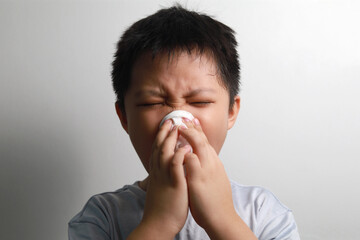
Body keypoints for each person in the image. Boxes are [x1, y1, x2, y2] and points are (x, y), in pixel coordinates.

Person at [68, 5, 300, 240]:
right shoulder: (102, 217)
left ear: (231, 111)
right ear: (124, 117)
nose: (178, 122)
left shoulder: (263, 212)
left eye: (199, 101)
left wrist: (222, 219)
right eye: (151, 103)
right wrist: (159, 223)